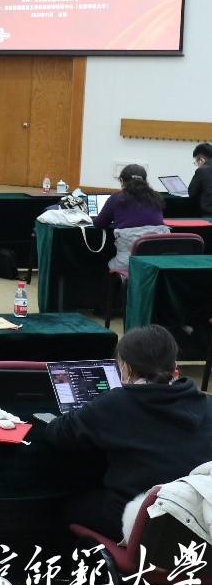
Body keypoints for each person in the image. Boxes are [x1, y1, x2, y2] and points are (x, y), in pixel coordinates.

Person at [45, 325, 212, 541]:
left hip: (135, 518)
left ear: (126, 368)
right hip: (197, 522)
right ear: (174, 367)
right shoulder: (206, 403)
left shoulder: (116, 403)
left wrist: (91, 409)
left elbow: (57, 434)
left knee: (63, 505)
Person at [93, 164, 168, 274]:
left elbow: (99, 223)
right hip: (156, 265)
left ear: (122, 181)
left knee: (104, 266)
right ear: (145, 180)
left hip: (127, 264)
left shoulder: (116, 198)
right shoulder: (156, 197)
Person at [187, 142, 212, 216]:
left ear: (201, 160)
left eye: (196, 161)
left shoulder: (202, 170)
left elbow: (192, 192)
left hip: (208, 215)